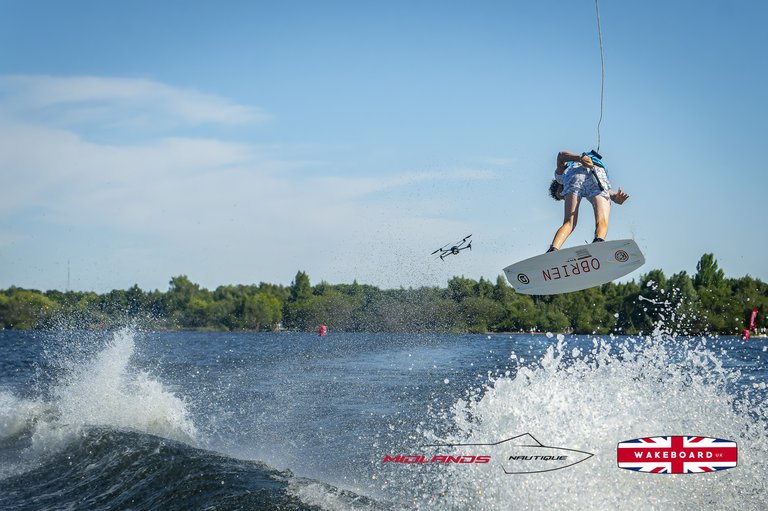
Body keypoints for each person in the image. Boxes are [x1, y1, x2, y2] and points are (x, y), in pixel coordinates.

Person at [547, 150, 629, 252]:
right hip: (597, 174)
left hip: (576, 174)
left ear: (559, 186)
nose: (564, 196)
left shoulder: (559, 176)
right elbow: (609, 192)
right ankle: (598, 242)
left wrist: (580, 158)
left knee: (569, 222)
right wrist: (617, 198)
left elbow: (561, 155)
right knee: (602, 221)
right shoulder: (562, 177)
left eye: (561, 195)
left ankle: (553, 250)